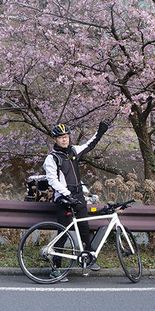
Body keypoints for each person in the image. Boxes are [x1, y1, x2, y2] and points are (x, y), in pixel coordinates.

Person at [44, 119, 111, 282]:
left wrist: (100, 131)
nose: (64, 140)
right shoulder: (52, 158)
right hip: (64, 199)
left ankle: (88, 259)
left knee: (84, 228)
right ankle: (55, 269)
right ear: (55, 139)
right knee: (63, 233)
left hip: (78, 196)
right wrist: (67, 194)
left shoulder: (73, 150)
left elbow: (89, 145)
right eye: (61, 137)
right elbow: (53, 181)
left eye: (66, 137)